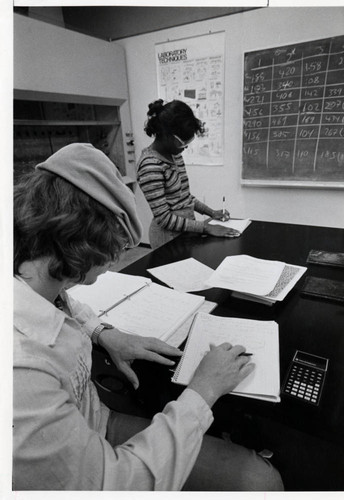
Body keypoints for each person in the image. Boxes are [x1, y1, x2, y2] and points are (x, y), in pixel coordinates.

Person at [13, 143, 283, 491]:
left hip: (95, 421)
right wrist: (204, 390)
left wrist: (104, 333)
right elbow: (112, 485)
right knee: (261, 481)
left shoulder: (34, 279)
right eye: (114, 246)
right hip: (101, 459)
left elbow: (69, 307)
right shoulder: (22, 371)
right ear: (81, 240)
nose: (116, 258)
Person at [136, 99, 240, 249]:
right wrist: (205, 227)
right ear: (167, 135)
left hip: (187, 231)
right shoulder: (150, 165)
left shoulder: (175, 155)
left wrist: (211, 213)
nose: (184, 148)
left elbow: (184, 197)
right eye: (183, 144)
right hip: (168, 238)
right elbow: (164, 218)